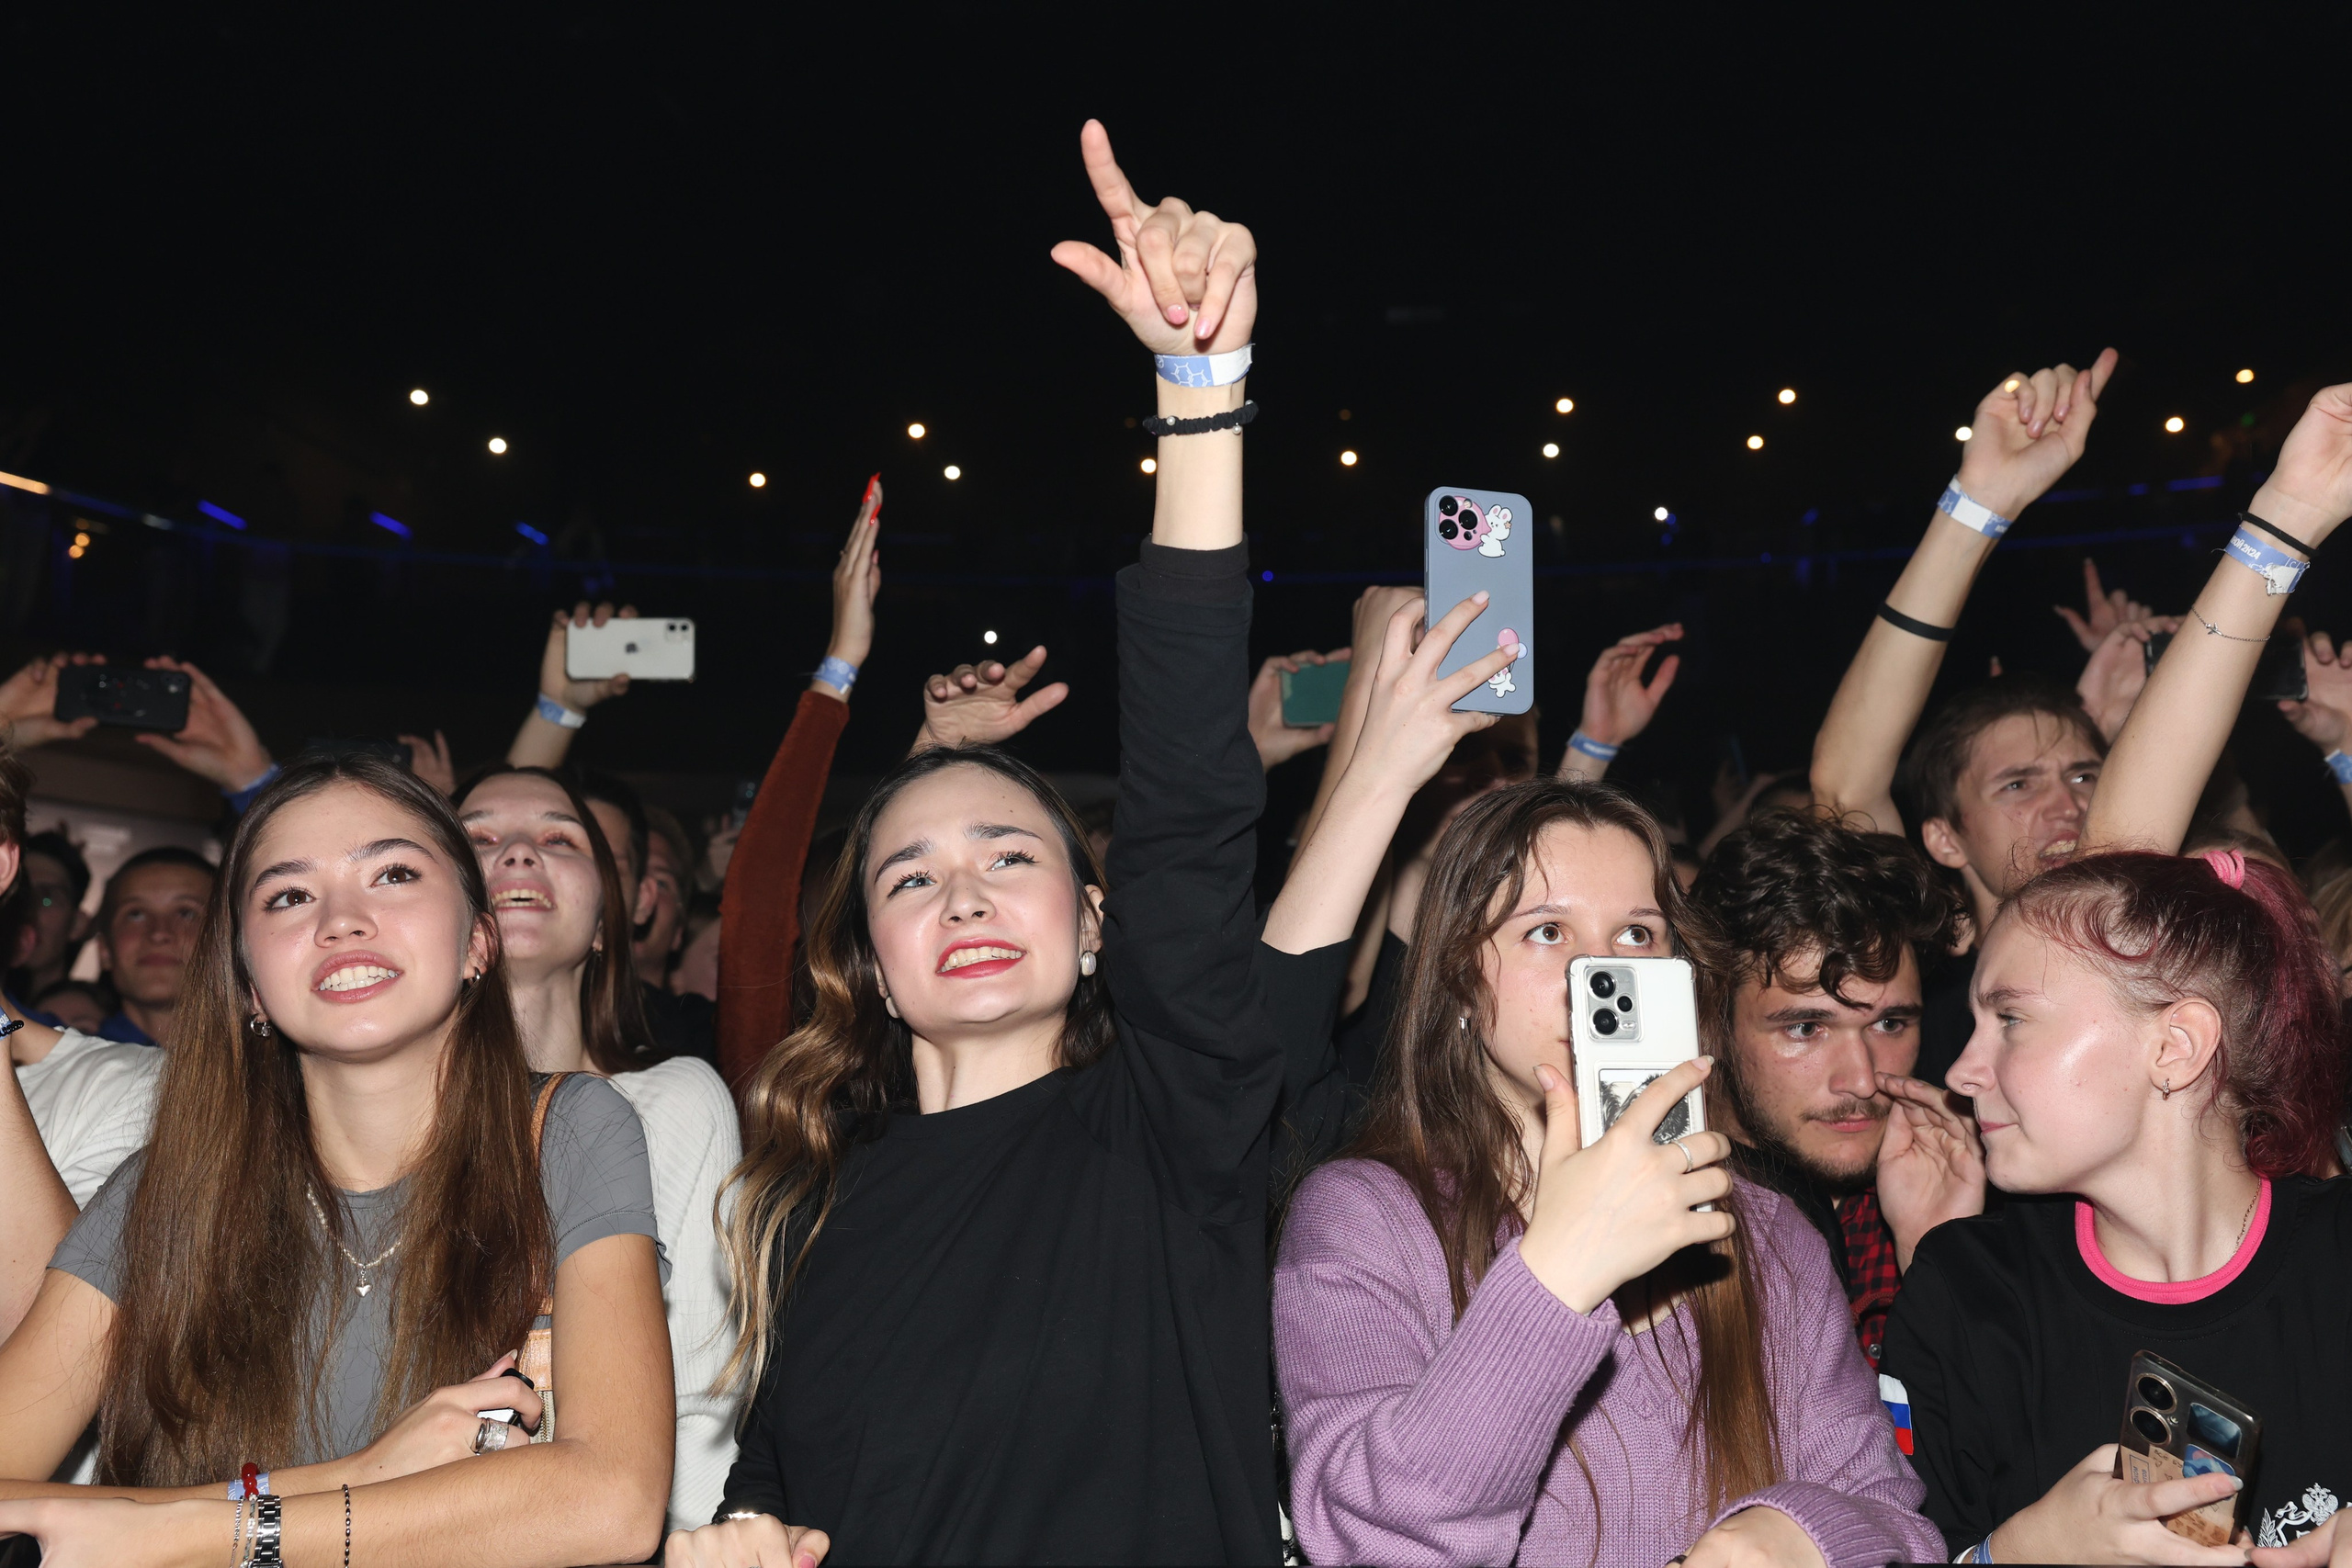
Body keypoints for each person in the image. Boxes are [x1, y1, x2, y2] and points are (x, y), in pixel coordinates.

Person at [668, 121, 1280, 1568]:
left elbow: (1192, 798)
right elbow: (780, 1492)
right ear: (870, 964)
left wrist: (1200, 398)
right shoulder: (807, 1206)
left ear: (1092, 922)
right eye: (909, 872)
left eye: (1012, 853)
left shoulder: (1171, 1123)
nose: (962, 888)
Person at [1882, 379, 2352, 1562]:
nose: (1959, 1066)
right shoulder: (1971, 1299)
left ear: (2176, 1043)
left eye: (2009, 1020)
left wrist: (2291, 509)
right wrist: (2015, 1557)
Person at [0, 751, 674, 1566]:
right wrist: (351, 1477)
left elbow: (613, 1499)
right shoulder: (165, 1190)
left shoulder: (567, 1130)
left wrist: (204, 1531)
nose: (341, 920)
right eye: (289, 894)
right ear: (249, 984)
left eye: (391, 875)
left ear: (478, 942)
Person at [1272, 773, 1939, 1566]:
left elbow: (1897, 1520)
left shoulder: (1763, 1229)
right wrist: (1555, 1277)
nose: (1602, 974)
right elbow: (1366, 1539)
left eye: (1635, 935)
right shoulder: (1364, 1219)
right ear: (1457, 976)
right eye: (1547, 931)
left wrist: (1796, 1537)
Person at [1811, 351, 2120, 1088]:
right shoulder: (1926, 988)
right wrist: (1981, 505)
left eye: (2083, 773)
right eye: (2017, 785)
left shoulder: (2159, 956)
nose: (2068, 804)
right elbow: (1844, 779)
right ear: (1945, 838)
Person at [456, 762, 743, 1533]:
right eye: (478, 836)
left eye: (559, 837)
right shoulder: (371, 1125)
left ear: (609, 918)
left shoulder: (677, 1101)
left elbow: (702, 1406)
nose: (517, 853)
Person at [1689, 810, 1980, 1369]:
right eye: (1805, 1028)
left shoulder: (1946, 1199)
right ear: (1710, 1024)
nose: (1863, 1079)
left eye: (1890, 1024)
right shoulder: (1655, 1237)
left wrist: (1936, 1257)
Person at [90, 846, 216, 1048]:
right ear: (105, 950)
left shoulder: (273, 1070)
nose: (158, 933)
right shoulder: (66, 1068)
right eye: (136, 914)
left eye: (186, 913)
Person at [7, 831, 94, 1005]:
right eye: (19, 893)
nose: (28, 909)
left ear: (77, 924)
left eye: (48, 898)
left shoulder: (89, 1021)